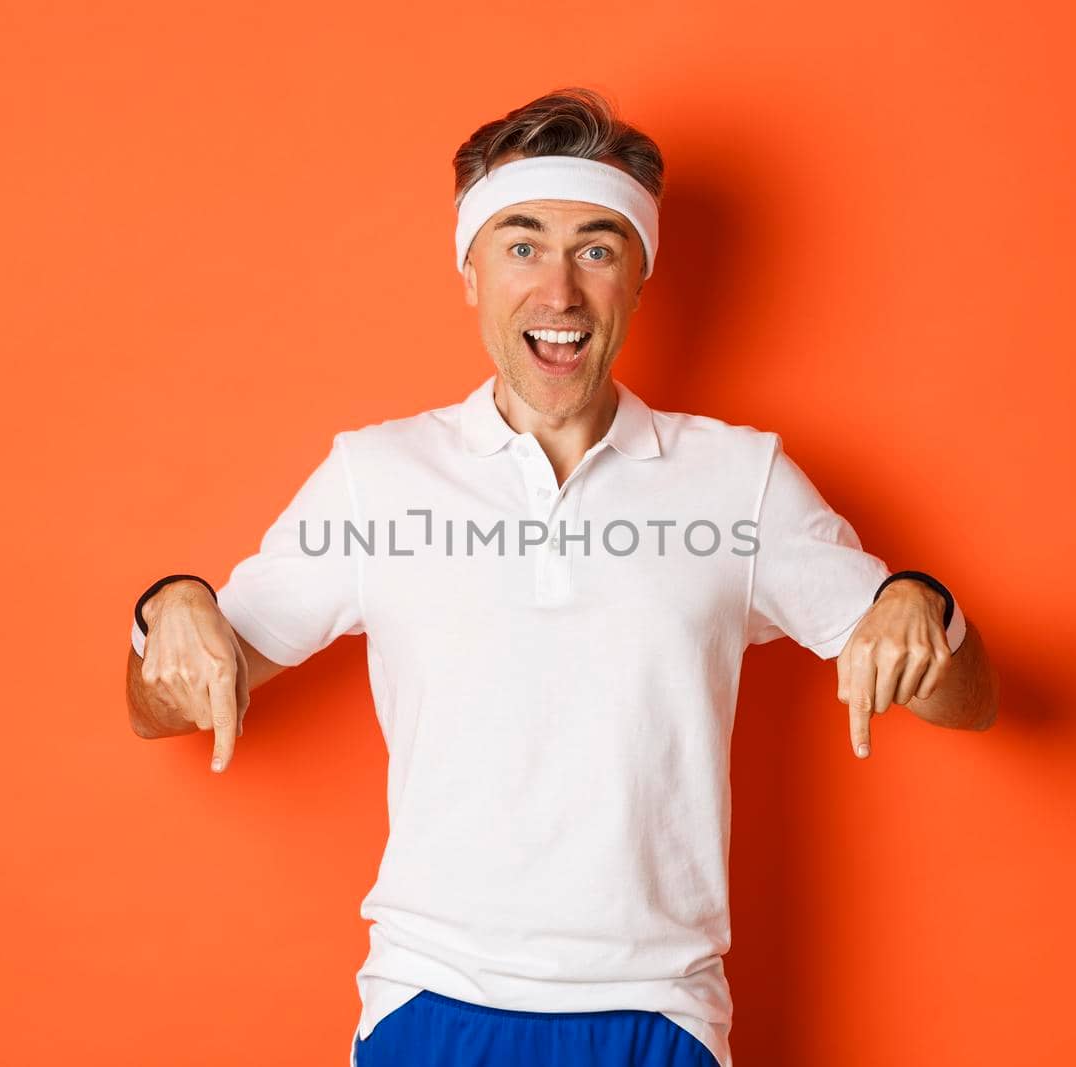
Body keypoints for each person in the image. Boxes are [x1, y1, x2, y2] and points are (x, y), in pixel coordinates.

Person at [124, 86, 999, 1067]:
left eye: (596, 246)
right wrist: (171, 603)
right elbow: (165, 705)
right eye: (521, 243)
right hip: (432, 996)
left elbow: (965, 700)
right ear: (469, 271)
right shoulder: (377, 476)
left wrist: (916, 599)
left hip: (657, 1008)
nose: (559, 290)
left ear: (639, 277)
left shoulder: (738, 478)